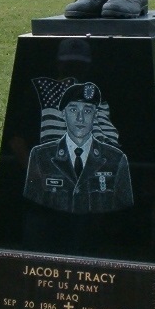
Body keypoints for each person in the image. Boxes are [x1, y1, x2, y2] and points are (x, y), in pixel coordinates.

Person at [23, 82, 133, 214]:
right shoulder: (41, 156)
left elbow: (124, 212)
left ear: (95, 115)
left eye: (87, 111)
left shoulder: (115, 159)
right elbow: (31, 209)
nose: (80, 118)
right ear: (63, 114)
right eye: (73, 110)